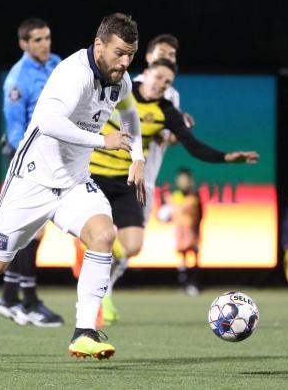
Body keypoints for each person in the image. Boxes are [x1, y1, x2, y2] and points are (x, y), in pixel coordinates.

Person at [0, 13, 146, 361]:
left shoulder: (119, 81)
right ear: (99, 45)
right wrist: (101, 141)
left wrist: (137, 156)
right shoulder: (72, 72)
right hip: (31, 181)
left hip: (74, 184)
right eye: (120, 53)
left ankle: (84, 332)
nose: (125, 63)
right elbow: (48, 123)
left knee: (104, 234)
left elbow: (130, 113)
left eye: (131, 55)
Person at [88, 58, 259, 319]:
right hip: (93, 175)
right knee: (101, 234)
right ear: (145, 74)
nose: (161, 85)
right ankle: (95, 286)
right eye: (158, 78)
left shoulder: (165, 111)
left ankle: (99, 264)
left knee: (133, 247)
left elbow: (193, 145)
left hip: (127, 181)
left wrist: (226, 157)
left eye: (167, 82)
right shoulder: (118, 89)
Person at [0, 17, 64, 327]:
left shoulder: (57, 64)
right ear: (24, 44)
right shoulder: (16, 80)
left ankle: (10, 297)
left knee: (33, 230)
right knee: (28, 230)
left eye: (47, 38)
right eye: (37, 40)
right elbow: (17, 130)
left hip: (54, 157)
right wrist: (30, 162)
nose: (44, 44)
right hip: (29, 160)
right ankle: (28, 301)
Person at [158, 168, 203, 295]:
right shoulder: (174, 196)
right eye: (180, 180)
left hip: (192, 231)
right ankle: (184, 285)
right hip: (180, 232)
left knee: (194, 257)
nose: (182, 183)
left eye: (185, 180)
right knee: (182, 258)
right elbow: (167, 213)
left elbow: (200, 215)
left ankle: (195, 284)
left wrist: (197, 230)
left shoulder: (194, 196)